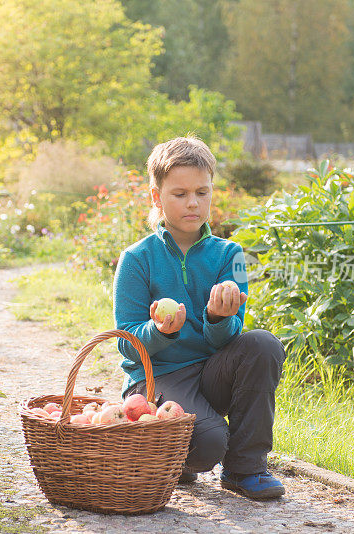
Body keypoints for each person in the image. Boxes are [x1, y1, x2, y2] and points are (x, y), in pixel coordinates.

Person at [113, 135, 287, 500]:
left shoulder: (230, 255)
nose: (193, 203)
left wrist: (218, 317)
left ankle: (245, 470)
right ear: (156, 197)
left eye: (202, 192)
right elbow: (126, 344)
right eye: (179, 194)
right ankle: (172, 457)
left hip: (210, 373)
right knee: (208, 445)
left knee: (262, 344)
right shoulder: (137, 259)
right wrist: (160, 331)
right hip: (157, 377)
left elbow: (228, 340)